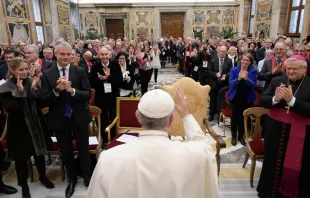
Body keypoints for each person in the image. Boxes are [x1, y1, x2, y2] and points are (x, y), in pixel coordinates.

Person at [87, 88, 219, 198]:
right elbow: (203, 144)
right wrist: (186, 115)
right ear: (172, 119)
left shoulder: (109, 159)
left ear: (138, 116)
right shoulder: (196, 155)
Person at [41, 41, 91, 198]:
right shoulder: (47, 74)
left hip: (79, 117)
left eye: (69, 54)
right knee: (66, 151)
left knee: (84, 149)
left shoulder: (80, 71)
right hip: (60, 119)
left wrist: (72, 90)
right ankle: (72, 180)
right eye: (62, 54)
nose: (66, 57)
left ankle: (88, 177)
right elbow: (43, 99)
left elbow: (87, 94)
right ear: (55, 55)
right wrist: (57, 90)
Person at [0, 57, 54, 198]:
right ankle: (23, 184)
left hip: (36, 124)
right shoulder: (5, 87)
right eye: (20, 69)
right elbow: (11, 109)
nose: (24, 72)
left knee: (39, 153)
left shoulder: (31, 81)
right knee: (21, 158)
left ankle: (43, 176)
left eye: (26, 69)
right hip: (19, 127)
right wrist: (19, 92)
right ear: (12, 70)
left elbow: (40, 102)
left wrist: (35, 87)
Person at [257, 55, 310, 198]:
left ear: (304, 69)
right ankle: (268, 192)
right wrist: (275, 99)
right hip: (275, 131)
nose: (291, 72)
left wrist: (292, 100)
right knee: (271, 162)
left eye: (295, 69)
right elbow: (263, 100)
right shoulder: (277, 81)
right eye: (288, 68)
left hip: (300, 136)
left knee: (298, 165)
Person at [228, 53, 257, 146]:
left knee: (243, 118)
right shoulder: (234, 69)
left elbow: (253, 85)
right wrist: (238, 78)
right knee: (234, 118)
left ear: (250, 62)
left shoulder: (253, 70)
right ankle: (233, 136)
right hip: (235, 97)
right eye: (243, 60)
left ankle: (241, 136)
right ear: (240, 60)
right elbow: (231, 84)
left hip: (246, 98)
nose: (245, 62)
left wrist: (246, 78)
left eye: (247, 60)